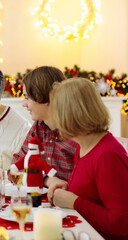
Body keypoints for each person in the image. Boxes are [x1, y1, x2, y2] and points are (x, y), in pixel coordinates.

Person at [48, 78, 128, 239]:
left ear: (70, 114)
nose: (53, 118)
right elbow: (91, 195)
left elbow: (122, 223)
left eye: (55, 111)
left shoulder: (107, 155)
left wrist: (74, 202)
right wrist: (67, 190)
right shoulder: (82, 145)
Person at [12, 66, 78, 181]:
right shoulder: (39, 127)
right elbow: (16, 167)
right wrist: (46, 180)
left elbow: (85, 184)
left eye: (27, 98)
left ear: (45, 96)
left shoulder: (77, 134)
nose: (24, 104)